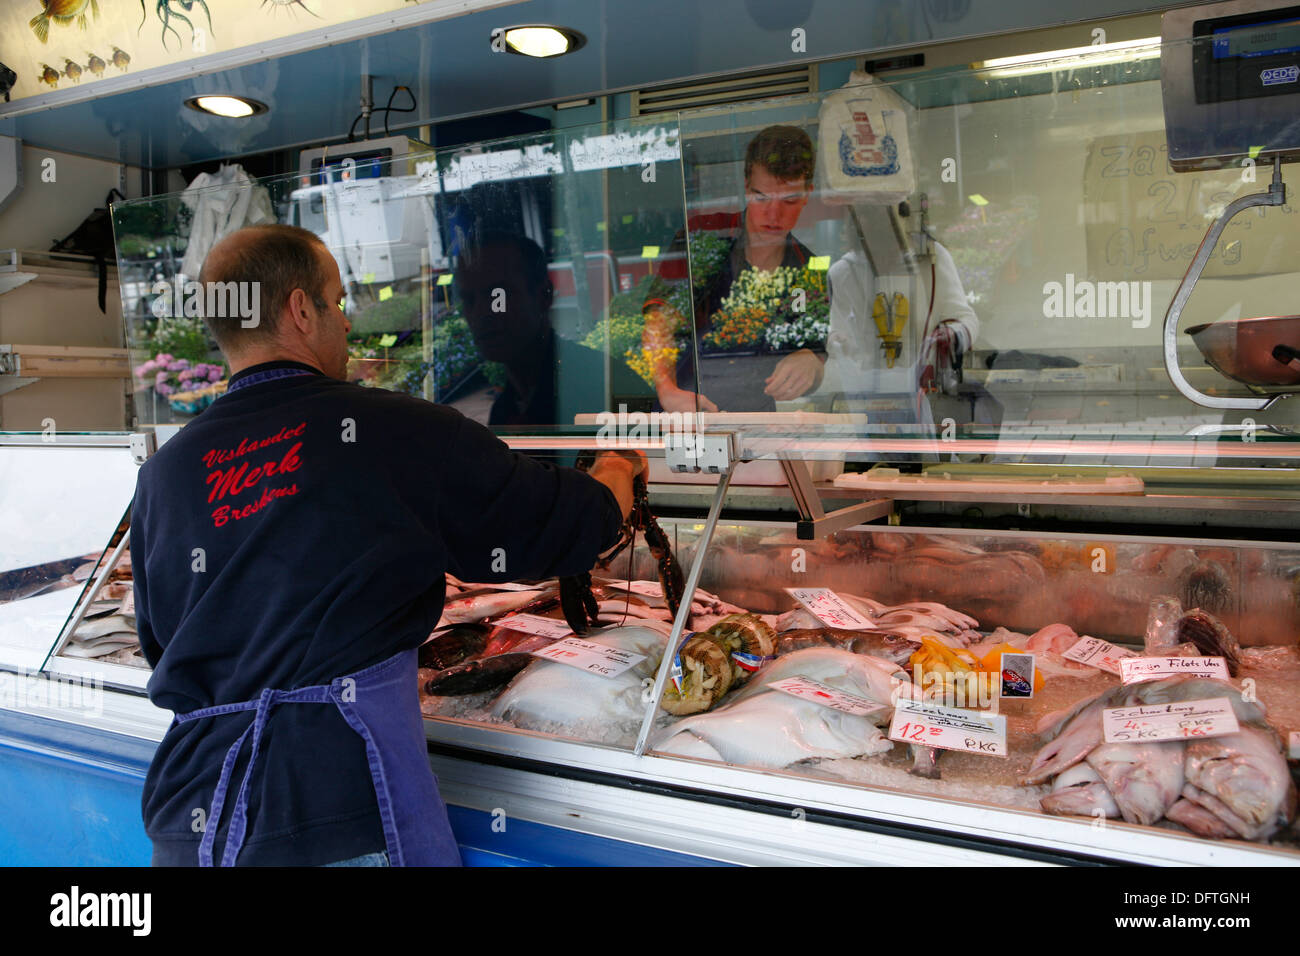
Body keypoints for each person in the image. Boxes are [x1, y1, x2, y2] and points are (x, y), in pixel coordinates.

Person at [131, 223, 646, 866]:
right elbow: (562, 528)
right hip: (333, 810)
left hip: (189, 817)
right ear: (299, 309)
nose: (347, 324)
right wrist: (616, 472)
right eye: (338, 302)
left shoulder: (165, 473)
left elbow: (160, 639)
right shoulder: (393, 430)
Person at [642, 125, 826, 413]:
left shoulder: (810, 270)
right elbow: (659, 323)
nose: (773, 216)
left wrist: (810, 362)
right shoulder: (704, 236)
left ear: (806, 195)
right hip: (685, 414)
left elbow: (815, 355)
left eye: (789, 201)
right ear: (745, 187)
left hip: (755, 429)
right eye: (761, 198)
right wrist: (668, 390)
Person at [455, 230, 653, 428]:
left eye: (497, 296)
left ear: (544, 295)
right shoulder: (505, 410)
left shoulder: (604, 389)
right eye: (469, 300)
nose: (480, 313)